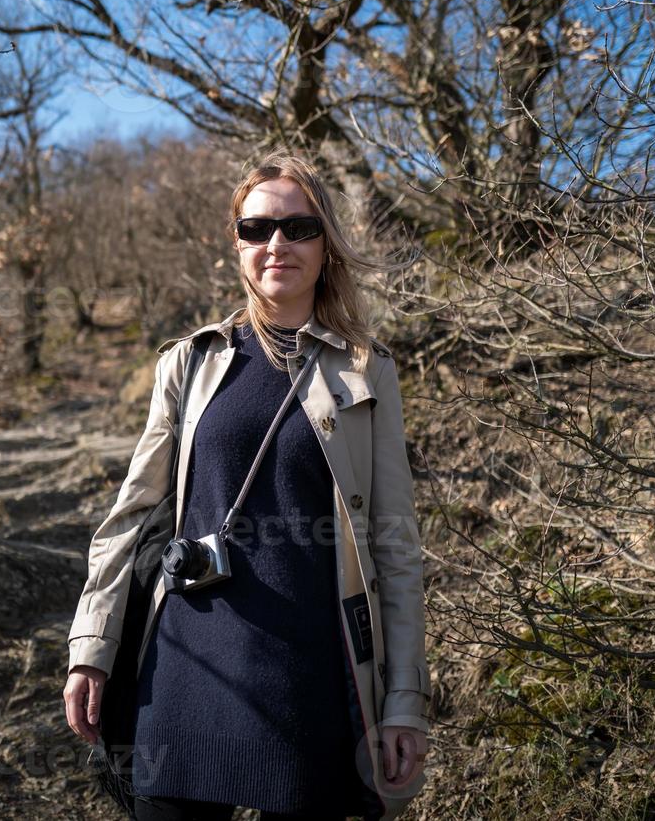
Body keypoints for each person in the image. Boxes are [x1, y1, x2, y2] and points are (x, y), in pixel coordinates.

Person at [63, 149, 430, 821]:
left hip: (310, 679)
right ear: (235, 246)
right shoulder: (190, 363)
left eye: (298, 227)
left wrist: (403, 700)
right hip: (184, 669)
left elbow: (395, 547)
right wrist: (91, 649)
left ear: (327, 244)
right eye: (256, 229)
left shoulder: (365, 371)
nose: (276, 244)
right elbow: (130, 514)